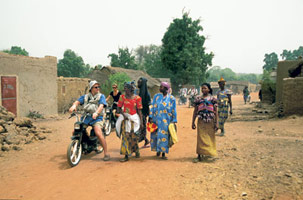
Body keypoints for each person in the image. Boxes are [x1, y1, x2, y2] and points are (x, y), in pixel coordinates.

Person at [69, 80, 110, 161]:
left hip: (97, 117)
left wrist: (96, 113)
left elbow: (101, 106)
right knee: (76, 131)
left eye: (98, 87)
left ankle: (106, 153)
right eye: (96, 87)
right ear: (91, 88)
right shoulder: (85, 96)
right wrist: (73, 106)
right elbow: (77, 102)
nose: (98, 88)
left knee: (98, 132)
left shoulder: (101, 96)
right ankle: (80, 145)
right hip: (86, 117)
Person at [116, 82, 143, 162]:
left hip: (134, 120)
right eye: (124, 88)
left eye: (127, 88)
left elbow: (139, 111)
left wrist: (141, 122)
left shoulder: (137, 98)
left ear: (131, 89)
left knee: (134, 137)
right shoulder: (122, 97)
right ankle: (126, 155)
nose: (125, 90)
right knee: (126, 137)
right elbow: (118, 108)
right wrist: (123, 115)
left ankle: (136, 150)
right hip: (126, 120)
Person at [149, 82, 177, 160]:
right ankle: (158, 150)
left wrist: (174, 120)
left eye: (161, 87)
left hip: (166, 120)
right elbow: (152, 107)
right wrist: (150, 116)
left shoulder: (171, 98)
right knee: (155, 135)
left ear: (165, 89)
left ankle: (163, 153)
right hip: (156, 119)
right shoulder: (156, 97)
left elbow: (174, 109)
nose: (159, 88)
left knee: (164, 136)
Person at [192, 83, 218, 162]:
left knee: (210, 137)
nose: (203, 90)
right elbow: (195, 111)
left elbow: (216, 112)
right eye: (202, 88)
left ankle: (210, 154)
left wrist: (216, 123)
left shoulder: (213, 99)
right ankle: (199, 155)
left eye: (205, 88)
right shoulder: (198, 99)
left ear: (209, 89)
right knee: (200, 137)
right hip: (201, 120)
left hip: (210, 120)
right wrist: (192, 122)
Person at [137, 77, 151, 148]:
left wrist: (149, 116)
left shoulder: (146, 94)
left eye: (139, 83)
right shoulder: (139, 92)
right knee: (141, 127)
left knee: (142, 127)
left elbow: (149, 105)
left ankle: (139, 142)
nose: (137, 84)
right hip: (139, 113)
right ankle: (146, 140)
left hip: (143, 113)